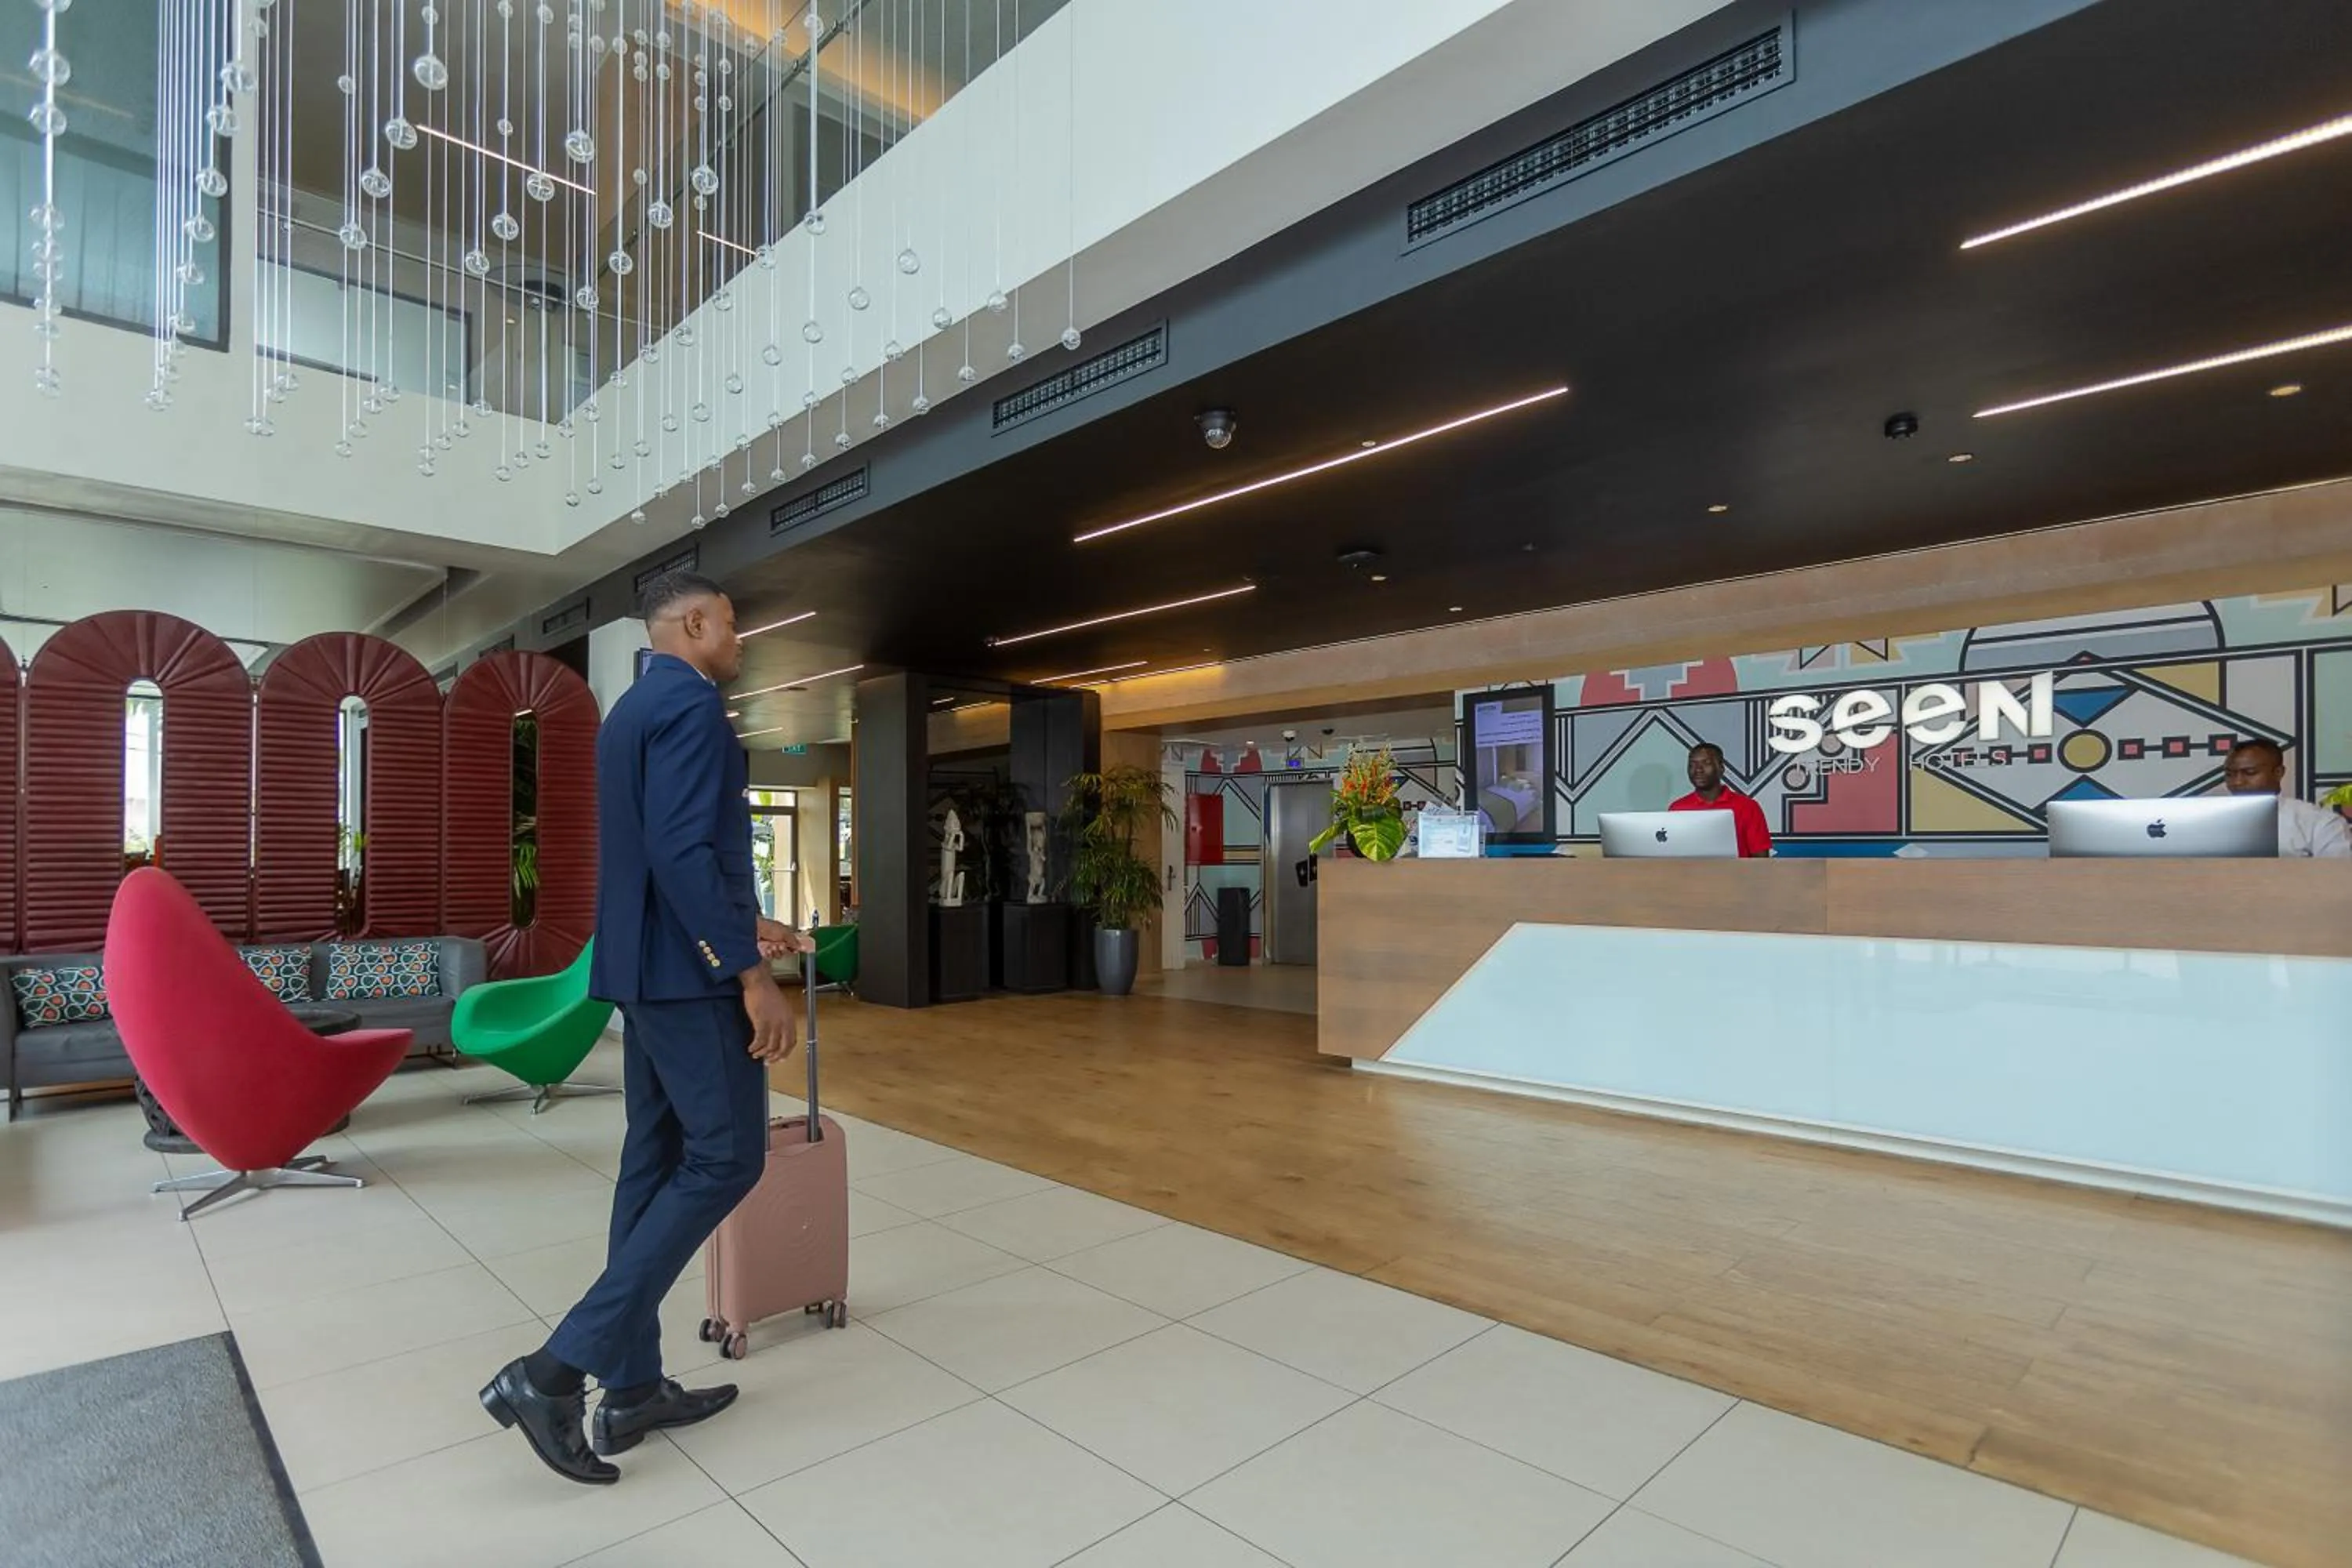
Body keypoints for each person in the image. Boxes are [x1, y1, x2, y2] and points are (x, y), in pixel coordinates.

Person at [481, 570, 813, 1486]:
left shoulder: (630, 710)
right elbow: (681, 848)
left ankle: (630, 1387)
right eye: (732, 626)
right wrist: (750, 972)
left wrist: (748, 922)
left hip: (642, 970)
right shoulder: (695, 708)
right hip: (692, 979)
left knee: (653, 1161)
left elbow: (663, 854)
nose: (739, 641)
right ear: (694, 622)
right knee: (728, 1157)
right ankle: (554, 1371)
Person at [2222, 739, 2350, 858]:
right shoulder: (2214, 822)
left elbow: (2338, 872)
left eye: (2250, 773)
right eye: (2229, 774)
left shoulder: (2319, 821)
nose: (2237, 782)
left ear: (2278, 773)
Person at [1669, 742, 1773, 858]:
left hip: (1736, 870)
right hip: (1689, 870)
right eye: (1692, 765)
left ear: (1721, 768)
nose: (1698, 770)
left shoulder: (1748, 807)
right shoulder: (1677, 808)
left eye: (1706, 763)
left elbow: (1761, 858)